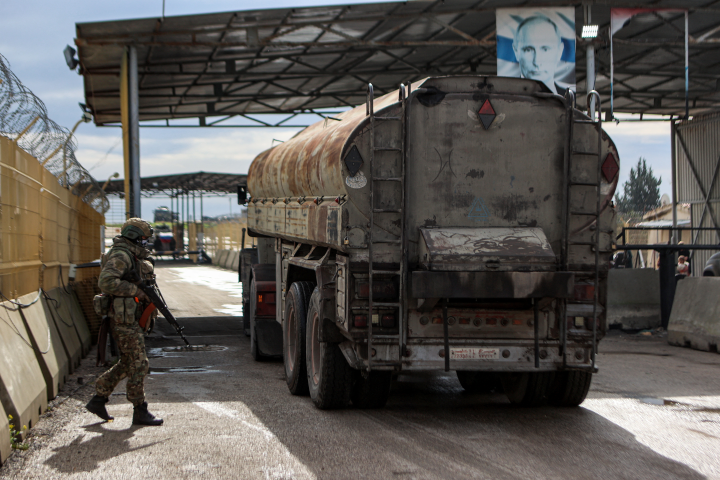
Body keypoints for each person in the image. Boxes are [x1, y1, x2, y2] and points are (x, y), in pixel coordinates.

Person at [86, 218, 163, 426]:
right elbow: (106, 281)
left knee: (128, 362)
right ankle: (139, 409)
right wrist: (137, 291)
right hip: (123, 319)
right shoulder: (121, 255)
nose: (145, 243)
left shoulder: (131, 255)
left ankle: (99, 398)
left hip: (129, 318)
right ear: (134, 237)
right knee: (140, 364)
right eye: (143, 239)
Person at [512, 16, 566, 95]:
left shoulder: (568, 99)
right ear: (516, 51)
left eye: (545, 49)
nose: (536, 62)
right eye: (528, 50)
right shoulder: (503, 98)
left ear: (559, 51)